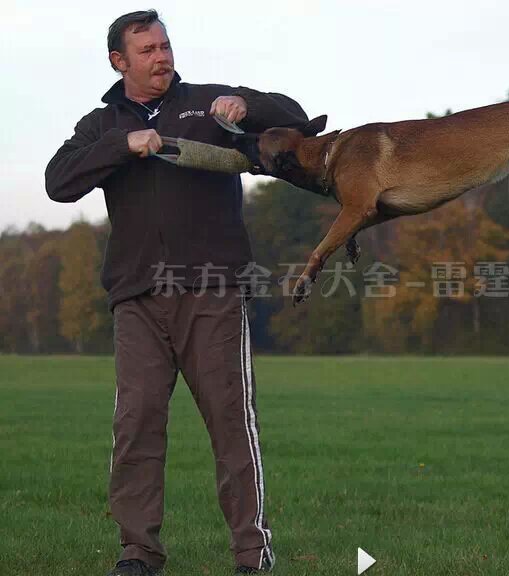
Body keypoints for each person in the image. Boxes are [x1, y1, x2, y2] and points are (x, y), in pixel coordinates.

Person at [45, 10, 310, 576]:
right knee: (136, 422)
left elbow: (298, 120)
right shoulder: (100, 125)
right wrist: (123, 144)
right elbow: (58, 182)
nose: (161, 56)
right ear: (120, 61)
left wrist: (247, 104)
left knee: (231, 423)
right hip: (137, 298)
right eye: (147, 50)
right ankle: (138, 553)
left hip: (213, 291)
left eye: (165, 45)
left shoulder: (209, 105)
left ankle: (250, 555)